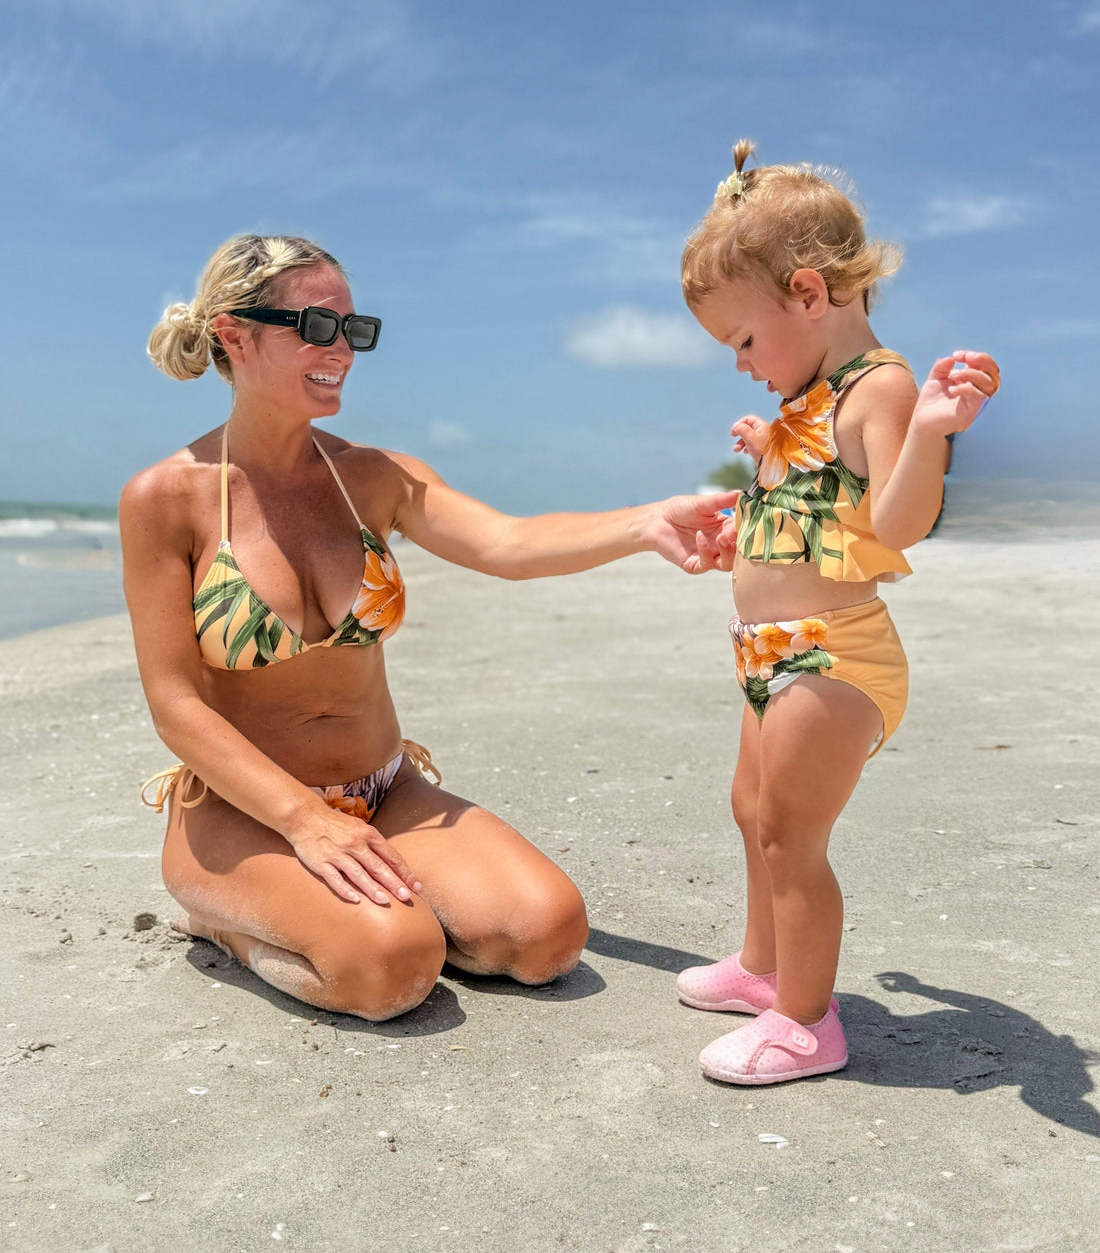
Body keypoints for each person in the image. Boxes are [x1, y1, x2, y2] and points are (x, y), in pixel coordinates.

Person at [122, 234, 738, 1023]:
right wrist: (304, 822)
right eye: (316, 326)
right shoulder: (166, 498)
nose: (341, 349)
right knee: (387, 971)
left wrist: (648, 521)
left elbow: (507, 543)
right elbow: (176, 702)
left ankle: (369, 910)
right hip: (244, 812)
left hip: (383, 791)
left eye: (354, 328)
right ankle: (223, 919)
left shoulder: (374, 478)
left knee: (546, 936)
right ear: (234, 335)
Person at [673, 141, 1000, 1085]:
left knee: (791, 834)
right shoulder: (806, 399)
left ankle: (809, 1024)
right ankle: (763, 968)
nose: (738, 363)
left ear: (810, 295)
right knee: (751, 810)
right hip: (770, 648)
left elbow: (898, 523)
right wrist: (756, 498)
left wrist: (931, 435)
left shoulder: (881, 389)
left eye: (742, 339)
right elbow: (821, 515)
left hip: (835, 656)